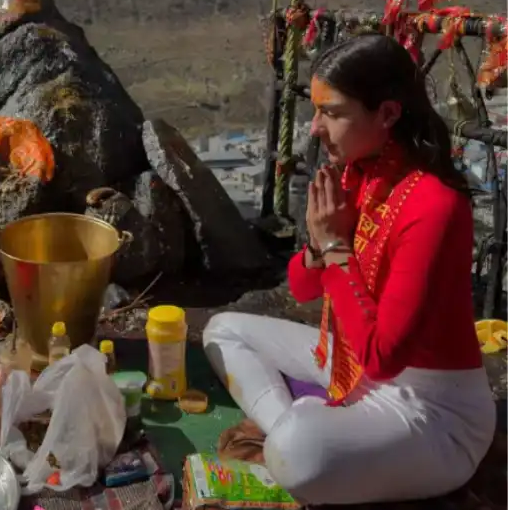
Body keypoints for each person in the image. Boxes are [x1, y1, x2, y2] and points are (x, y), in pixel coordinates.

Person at [202, 33, 494, 505]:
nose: (316, 128)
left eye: (332, 113)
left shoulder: (435, 206)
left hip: (433, 412)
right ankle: (295, 433)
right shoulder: (361, 174)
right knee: (223, 332)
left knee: (300, 451)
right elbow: (300, 287)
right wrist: (321, 245)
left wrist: (336, 246)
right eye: (317, 110)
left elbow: (385, 357)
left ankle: (300, 438)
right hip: (356, 365)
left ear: (388, 114)